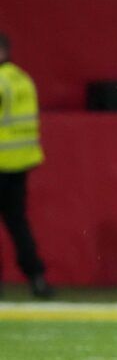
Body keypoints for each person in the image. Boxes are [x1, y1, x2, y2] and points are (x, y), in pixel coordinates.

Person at [0, 32, 53, 299]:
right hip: (20, 162)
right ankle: (37, 278)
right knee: (18, 224)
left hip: (1, 161)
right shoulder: (22, 79)